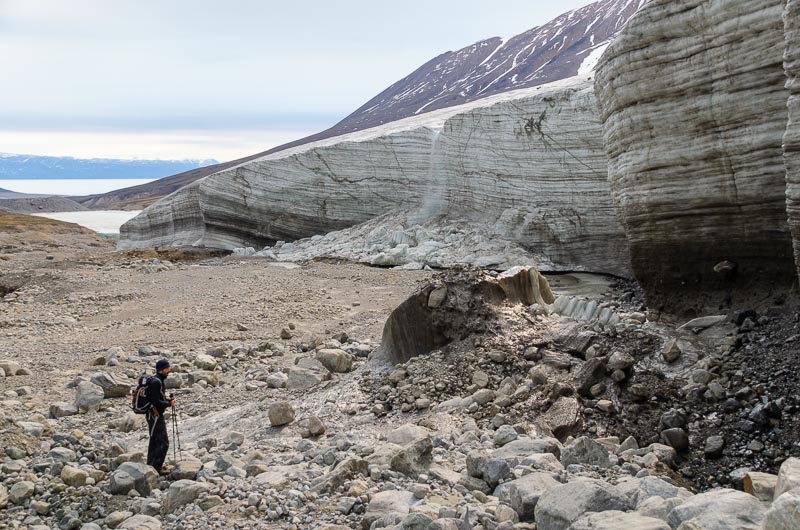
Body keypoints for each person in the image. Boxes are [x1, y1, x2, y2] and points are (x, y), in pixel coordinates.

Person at [145, 359, 175, 474]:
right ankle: (157, 468)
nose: (169, 370)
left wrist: (167, 401)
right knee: (163, 442)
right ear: (162, 370)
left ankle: (150, 466)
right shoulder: (156, 382)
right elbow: (156, 401)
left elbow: (158, 399)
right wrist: (169, 403)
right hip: (155, 415)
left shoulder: (158, 380)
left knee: (154, 440)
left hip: (152, 414)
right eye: (167, 368)